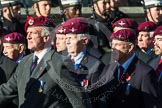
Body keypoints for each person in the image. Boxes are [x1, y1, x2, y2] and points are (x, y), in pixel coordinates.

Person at [0, 16, 92, 108]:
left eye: (33, 33)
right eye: (27, 33)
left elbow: (79, 101)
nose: (28, 37)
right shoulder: (25, 62)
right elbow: (7, 90)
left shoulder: (59, 63)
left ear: (46, 37)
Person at [91, 29, 159, 108]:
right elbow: (98, 94)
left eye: (117, 45)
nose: (113, 48)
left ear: (130, 47)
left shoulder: (145, 72)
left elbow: (152, 104)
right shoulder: (108, 68)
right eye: (112, 44)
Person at [62, 17, 104, 89]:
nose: (67, 42)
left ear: (84, 41)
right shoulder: (61, 61)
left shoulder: (95, 65)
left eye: (71, 38)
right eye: (66, 38)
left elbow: (98, 95)